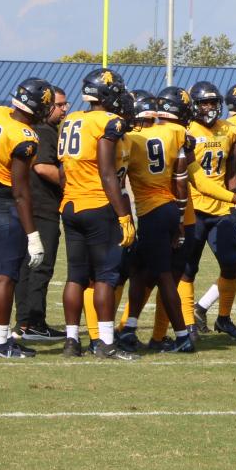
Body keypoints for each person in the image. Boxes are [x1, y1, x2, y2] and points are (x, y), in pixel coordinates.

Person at [58, 68, 136, 360]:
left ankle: (71, 341)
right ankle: (105, 343)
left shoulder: (71, 119)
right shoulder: (109, 122)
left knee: (75, 276)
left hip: (70, 205)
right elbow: (106, 173)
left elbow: (65, 169)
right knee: (105, 276)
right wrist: (123, 215)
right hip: (97, 204)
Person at [0, 78, 50, 359]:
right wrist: (33, 236)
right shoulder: (25, 137)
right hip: (3, 206)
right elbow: (20, 191)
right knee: (5, 278)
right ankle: (0, 343)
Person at [119, 91, 195, 353]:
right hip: (169, 208)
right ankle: (129, 328)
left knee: (163, 275)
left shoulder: (131, 139)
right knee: (139, 271)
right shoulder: (173, 132)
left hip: (151, 212)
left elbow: (117, 178)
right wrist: (181, 217)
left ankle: (183, 335)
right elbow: (182, 172)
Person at [182, 81, 236, 338]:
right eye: (204, 103)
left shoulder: (228, 130)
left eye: (212, 102)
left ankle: (223, 318)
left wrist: (234, 200)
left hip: (221, 208)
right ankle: (188, 323)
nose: (209, 107)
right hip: (193, 208)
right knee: (188, 268)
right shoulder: (186, 130)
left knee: (231, 265)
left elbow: (230, 169)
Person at [15, 86, 68, 343]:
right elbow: (44, 167)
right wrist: (72, 182)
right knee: (40, 266)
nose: (64, 109)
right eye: (59, 105)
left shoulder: (31, 129)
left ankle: (24, 322)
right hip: (42, 207)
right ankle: (33, 322)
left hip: (28, 205)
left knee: (27, 266)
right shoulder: (45, 131)